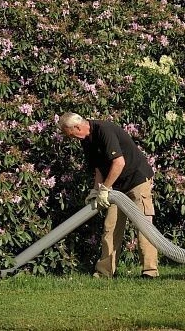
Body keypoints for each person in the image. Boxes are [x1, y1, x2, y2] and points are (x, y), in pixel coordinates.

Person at [58, 112, 159, 279]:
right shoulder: (86, 140)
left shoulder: (104, 130)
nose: (72, 139)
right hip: (115, 187)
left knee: (144, 227)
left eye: (71, 134)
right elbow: (99, 169)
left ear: (77, 127)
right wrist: (96, 191)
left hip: (137, 180)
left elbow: (119, 163)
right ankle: (104, 272)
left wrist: (105, 189)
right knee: (110, 228)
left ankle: (150, 271)